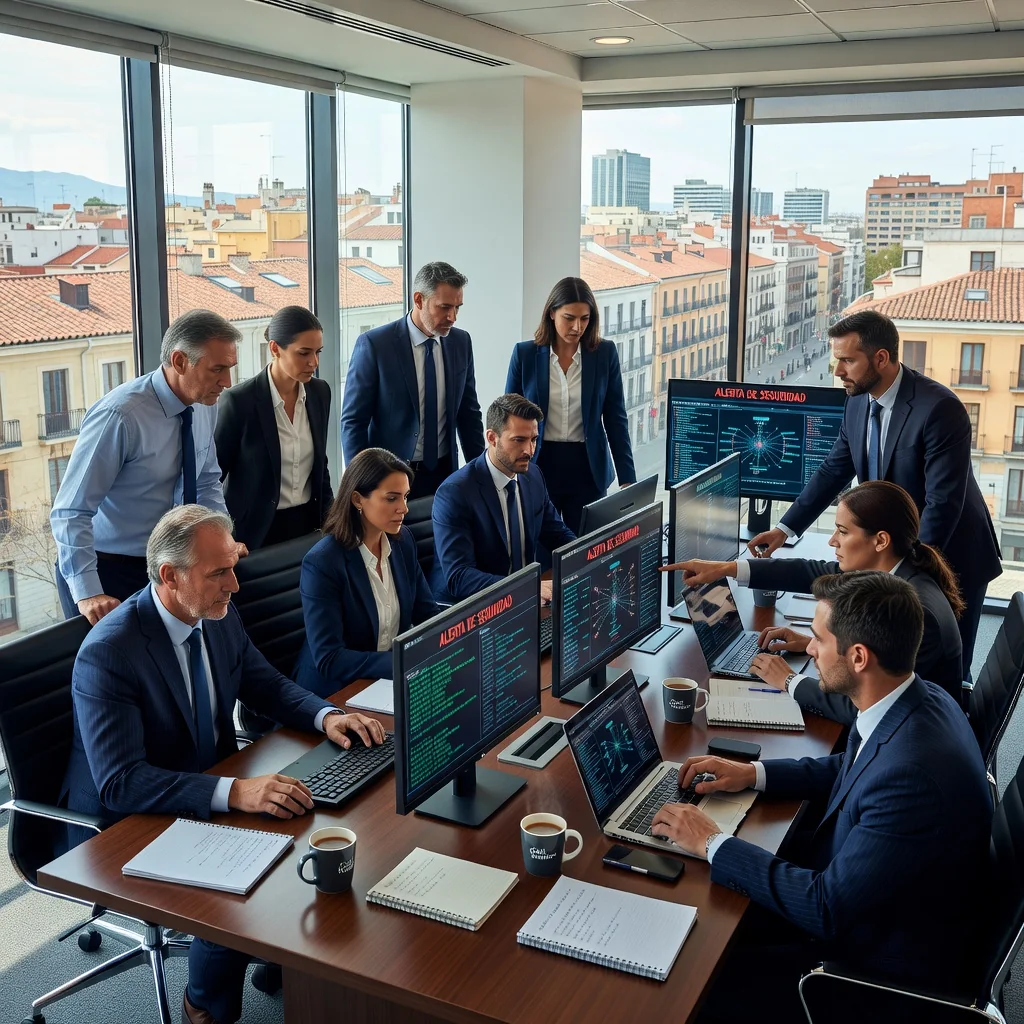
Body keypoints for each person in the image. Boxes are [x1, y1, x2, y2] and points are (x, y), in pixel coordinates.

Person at [59, 505, 386, 1024]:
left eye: (232, 567)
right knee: (248, 858)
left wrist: (326, 715)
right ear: (170, 576)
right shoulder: (110, 652)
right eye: (219, 573)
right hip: (124, 821)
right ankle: (205, 1006)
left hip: (204, 779)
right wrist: (235, 792)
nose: (234, 584)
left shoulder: (214, 613)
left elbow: (264, 682)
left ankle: (291, 961)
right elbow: (121, 783)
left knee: (313, 819)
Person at [651, 572, 992, 1023]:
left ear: (857, 656)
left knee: (689, 976)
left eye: (818, 639)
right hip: (878, 899)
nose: (808, 650)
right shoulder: (918, 698)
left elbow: (824, 908)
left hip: (866, 972)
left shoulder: (912, 776)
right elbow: (854, 766)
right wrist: (752, 773)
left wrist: (712, 841)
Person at [747, 309, 1000, 676]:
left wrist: (897, 575)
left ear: (881, 358)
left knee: (940, 675)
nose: (838, 371)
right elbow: (834, 468)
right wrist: (785, 529)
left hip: (949, 556)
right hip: (893, 553)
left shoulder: (940, 409)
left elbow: (942, 504)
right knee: (882, 664)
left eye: (848, 360)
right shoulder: (855, 401)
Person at [664, 480, 964, 717]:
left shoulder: (916, 611)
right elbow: (810, 571)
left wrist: (789, 681)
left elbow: (865, 706)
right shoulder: (893, 571)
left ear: (881, 540)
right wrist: (724, 569)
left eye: (843, 532)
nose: (833, 540)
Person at [50, 309, 238, 624]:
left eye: (229, 368)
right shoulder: (121, 415)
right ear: (180, 362)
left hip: (172, 565)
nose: (227, 382)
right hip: (110, 570)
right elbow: (70, 511)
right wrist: (88, 592)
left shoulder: (205, 403)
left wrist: (223, 542)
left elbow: (206, 481)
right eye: (217, 369)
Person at [294, 448, 439, 698]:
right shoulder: (323, 563)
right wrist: (401, 662)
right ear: (358, 499)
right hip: (336, 693)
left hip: (387, 683)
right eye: (392, 498)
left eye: (405, 497)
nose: (404, 508)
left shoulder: (403, 543)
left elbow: (427, 614)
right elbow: (330, 659)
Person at [341, 261, 485, 499]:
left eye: (458, 307)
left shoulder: (461, 342)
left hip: (445, 474)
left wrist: (481, 473)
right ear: (418, 300)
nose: (453, 317)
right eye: (444, 307)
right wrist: (362, 484)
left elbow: (469, 413)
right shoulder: (376, 345)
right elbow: (353, 421)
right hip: (388, 477)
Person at [505, 276, 635, 533]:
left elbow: (615, 418)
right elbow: (508, 420)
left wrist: (627, 479)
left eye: (584, 319)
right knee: (541, 554)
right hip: (539, 465)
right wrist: (506, 471)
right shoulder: (525, 354)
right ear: (552, 313)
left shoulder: (604, 354)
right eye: (569, 317)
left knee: (587, 552)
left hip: (588, 468)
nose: (577, 327)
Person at [431, 393, 575, 604]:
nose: (529, 450)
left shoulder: (533, 476)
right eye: (519, 440)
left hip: (523, 602)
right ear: (491, 437)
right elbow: (460, 577)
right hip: (471, 609)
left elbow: (558, 535)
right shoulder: (455, 493)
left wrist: (589, 558)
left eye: (533, 439)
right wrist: (528, 588)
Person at [215, 306, 333, 550]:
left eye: (318, 352)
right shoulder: (239, 402)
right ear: (275, 348)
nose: (314, 362)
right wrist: (222, 538)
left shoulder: (320, 392)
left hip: (310, 527)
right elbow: (213, 478)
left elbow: (321, 466)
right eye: (304, 353)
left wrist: (333, 518)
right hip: (254, 534)